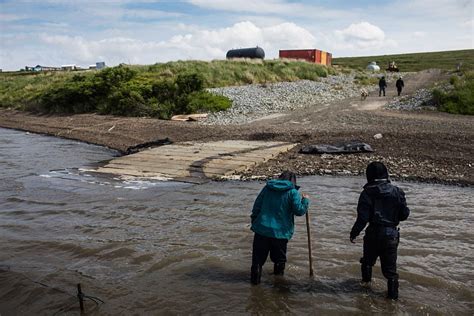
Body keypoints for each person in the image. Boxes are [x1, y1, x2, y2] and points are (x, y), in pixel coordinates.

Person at [349, 162, 410, 300]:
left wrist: (354, 233)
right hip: (391, 236)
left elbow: (362, 218)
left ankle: (365, 288)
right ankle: (392, 301)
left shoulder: (366, 193)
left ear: (369, 175)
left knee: (367, 262)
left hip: (373, 234)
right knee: (390, 272)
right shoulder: (397, 192)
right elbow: (404, 215)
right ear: (386, 174)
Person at [250, 171, 310, 285]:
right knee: (279, 261)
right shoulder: (293, 192)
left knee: (257, 261)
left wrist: (254, 222)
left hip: (261, 230)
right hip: (280, 233)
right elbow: (300, 211)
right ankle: (278, 290)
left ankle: (254, 286)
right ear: (293, 181)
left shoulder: (267, 188)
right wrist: (305, 200)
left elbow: (256, 206)